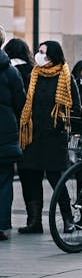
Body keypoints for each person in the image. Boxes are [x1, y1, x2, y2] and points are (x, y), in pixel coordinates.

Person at [17, 40, 80, 235]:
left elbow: (75, 107)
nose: (38, 55)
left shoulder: (66, 76)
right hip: (33, 135)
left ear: (53, 54)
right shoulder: (33, 75)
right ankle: (34, 222)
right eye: (38, 51)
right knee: (31, 178)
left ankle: (68, 219)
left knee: (56, 179)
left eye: (43, 52)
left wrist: (72, 129)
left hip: (54, 136)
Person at [0, 26, 26, 242]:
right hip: (5, 132)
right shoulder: (10, 71)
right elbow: (21, 102)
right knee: (4, 181)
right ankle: (2, 226)